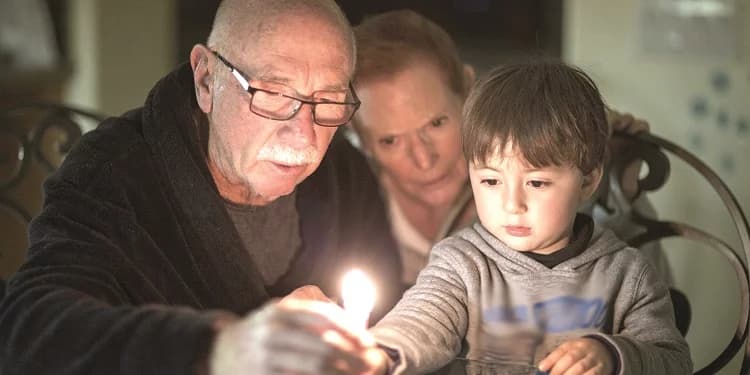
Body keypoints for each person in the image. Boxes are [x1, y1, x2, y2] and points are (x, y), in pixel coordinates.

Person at [0, 1, 397, 374]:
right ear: (206, 79)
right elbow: (31, 327)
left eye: (327, 100)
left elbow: (392, 310)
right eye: (274, 93)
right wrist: (218, 350)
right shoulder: (115, 173)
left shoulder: (345, 174)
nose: (304, 137)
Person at [368, 61, 692, 375]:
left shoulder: (626, 275)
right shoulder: (460, 264)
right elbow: (420, 322)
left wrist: (612, 355)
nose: (512, 204)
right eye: (491, 181)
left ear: (589, 180)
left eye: (536, 182)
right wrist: (379, 353)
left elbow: (673, 361)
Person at [350, 9, 673, 290]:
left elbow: (651, 308)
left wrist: (619, 189)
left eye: (436, 124)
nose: (424, 160)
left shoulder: (553, 180)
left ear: (467, 90)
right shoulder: (351, 205)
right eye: (390, 140)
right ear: (358, 136)